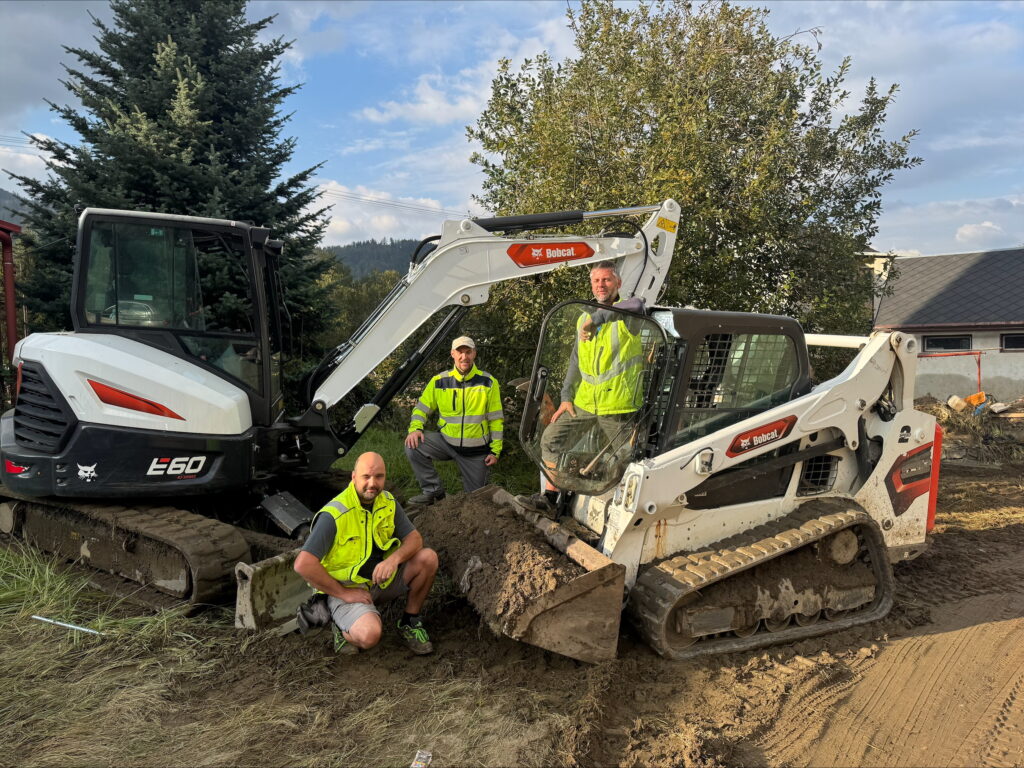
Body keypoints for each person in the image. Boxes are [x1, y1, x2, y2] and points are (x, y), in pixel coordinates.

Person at [519, 261, 646, 514]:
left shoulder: (628, 314)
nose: (601, 285)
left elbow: (638, 304)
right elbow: (576, 363)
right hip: (584, 405)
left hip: (618, 407)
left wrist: (597, 320)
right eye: (596, 280)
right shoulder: (582, 318)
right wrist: (566, 397)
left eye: (607, 280)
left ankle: (625, 510)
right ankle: (551, 498)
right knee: (552, 440)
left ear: (618, 283)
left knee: (628, 459)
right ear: (591, 284)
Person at [293, 451, 438, 655]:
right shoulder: (335, 514)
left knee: (428, 558)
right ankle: (340, 627)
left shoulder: (387, 502)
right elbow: (303, 564)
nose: (373, 483)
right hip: (345, 590)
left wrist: (394, 561)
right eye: (366, 476)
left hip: (379, 581)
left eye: (379, 477)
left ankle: (410, 622)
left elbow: (415, 539)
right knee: (370, 636)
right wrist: (344, 593)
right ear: (353, 477)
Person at [404, 335, 504, 505]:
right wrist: (415, 428)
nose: (464, 357)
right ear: (452, 354)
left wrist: (495, 451)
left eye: (468, 352)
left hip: (475, 452)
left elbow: (496, 419)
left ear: (474, 354)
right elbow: (421, 408)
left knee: (476, 502)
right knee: (412, 444)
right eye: (460, 352)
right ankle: (433, 492)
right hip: (446, 443)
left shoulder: (488, 382)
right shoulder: (439, 381)